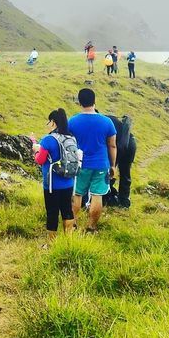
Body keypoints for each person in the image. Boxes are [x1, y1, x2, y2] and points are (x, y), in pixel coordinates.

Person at [69, 88, 117, 232]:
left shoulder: (72, 121)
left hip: (79, 164)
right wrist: (113, 165)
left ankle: (73, 224)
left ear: (80, 102)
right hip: (101, 164)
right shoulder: (107, 122)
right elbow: (112, 145)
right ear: (94, 101)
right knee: (97, 195)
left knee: (77, 194)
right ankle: (91, 227)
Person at [33, 109, 77, 239]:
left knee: (52, 212)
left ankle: (51, 242)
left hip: (52, 184)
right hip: (69, 181)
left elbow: (40, 160)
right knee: (67, 210)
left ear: (53, 122)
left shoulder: (48, 139)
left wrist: (36, 150)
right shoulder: (71, 137)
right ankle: (68, 239)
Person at [107, 114, 137, 208]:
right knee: (125, 172)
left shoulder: (103, 121)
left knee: (109, 171)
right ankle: (124, 200)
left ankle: (109, 196)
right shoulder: (110, 119)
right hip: (130, 142)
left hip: (119, 144)